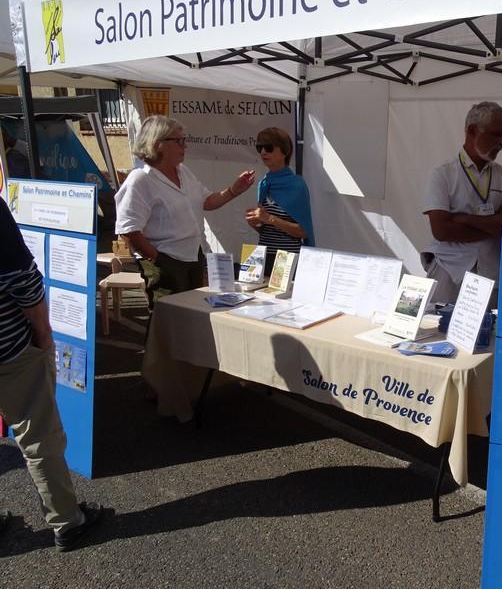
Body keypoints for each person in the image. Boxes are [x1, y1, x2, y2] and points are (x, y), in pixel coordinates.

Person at [0, 197, 104, 551]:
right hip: (11, 351)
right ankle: (67, 521)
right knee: (39, 436)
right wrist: (44, 336)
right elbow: (23, 280)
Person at [115, 115, 256, 308]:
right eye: (179, 141)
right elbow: (128, 229)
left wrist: (234, 190)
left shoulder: (183, 172)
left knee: (192, 313)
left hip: (193, 256)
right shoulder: (140, 180)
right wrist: (159, 260)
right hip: (166, 261)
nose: (185, 146)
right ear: (158, 144)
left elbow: (207, 201)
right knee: (168, 316)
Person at [421, 101, 502, 305]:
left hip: (491, 275)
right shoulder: (443, 174)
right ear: (472, 131)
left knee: (489, 326)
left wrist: (465, 219)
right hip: (450, 272)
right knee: (440, 325)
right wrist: (495, 223)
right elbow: (441, 231)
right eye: (496, 134)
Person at [244, 127, 314, 276]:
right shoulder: (264, 183)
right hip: (263, 255)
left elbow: (303, 232)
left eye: (268, 147)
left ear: (284, 151)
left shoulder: (297, 185)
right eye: (259, 147)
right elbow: (268, 230)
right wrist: (256, 224)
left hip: (286, 257)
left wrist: (270, 218)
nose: (263, 152)